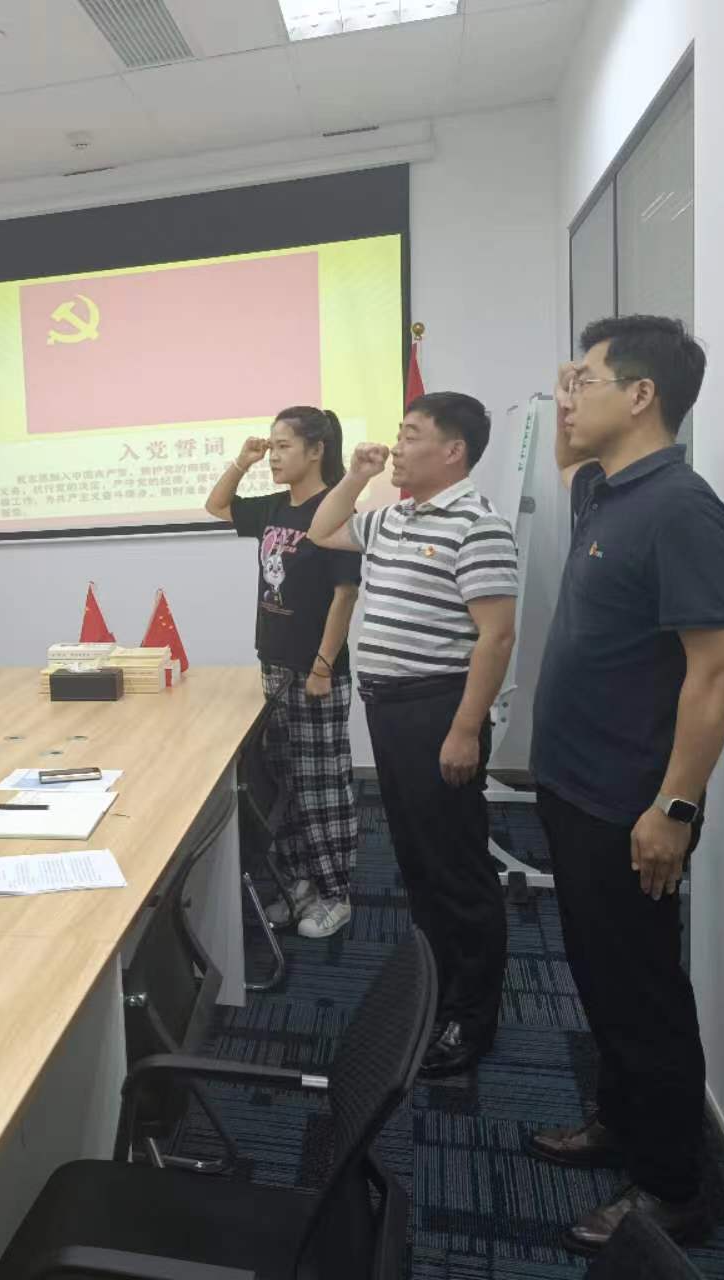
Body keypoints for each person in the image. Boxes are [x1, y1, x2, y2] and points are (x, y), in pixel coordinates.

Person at [528, 315, 724, 1253]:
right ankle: (620, 1121)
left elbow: (720, 669)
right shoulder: (606, 491)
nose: (568, 395)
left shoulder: (681, 508)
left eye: (585, 379)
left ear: (642, 394)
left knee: (644, 994)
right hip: (573, 788)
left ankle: (672, 1190)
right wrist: (571, 399)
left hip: (631, 804)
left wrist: (675, 807)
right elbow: (566, 457)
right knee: (600, 977)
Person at [305, 392, 519, 1076]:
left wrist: (465, 731)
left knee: (457, 868)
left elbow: (497, 635)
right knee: (418, 860)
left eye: (411, 434)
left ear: (453, 451)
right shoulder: (393, 516)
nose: (396, 446)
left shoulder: (477, 524)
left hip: (438, 711)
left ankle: (471, 1019)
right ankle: (437, 991)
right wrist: (355, 475)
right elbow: (322, 531)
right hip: (391, 710)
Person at [205, 407, 362, 938]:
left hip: (315, 672)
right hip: (273, 664)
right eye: (270, 446)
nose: (273, 456)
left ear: (316, 451)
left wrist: (322, 666)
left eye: (283, 446)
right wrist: (242, 462)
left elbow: (345, 595)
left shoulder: (333, 509)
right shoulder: (274, 506)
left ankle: (335, 893)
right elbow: (216, 505)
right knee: (286, 780)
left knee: (322, 783)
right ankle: (300, 882)